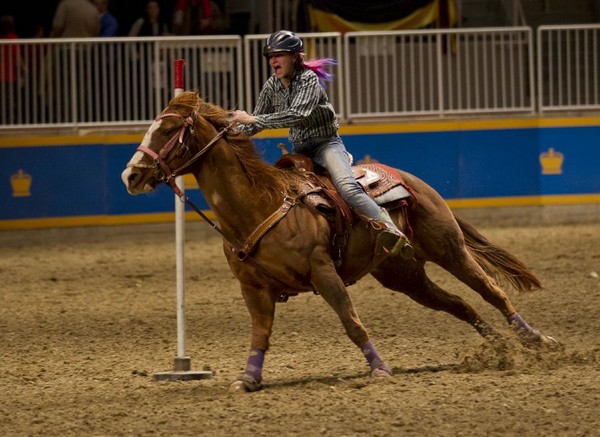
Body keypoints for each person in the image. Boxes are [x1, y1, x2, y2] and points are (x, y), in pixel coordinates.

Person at [232, 30, 414, 258]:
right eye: (270, 56)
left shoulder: (308, 79)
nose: (273, 61)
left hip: (326, 145)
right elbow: (254, 125)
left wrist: (253, 119)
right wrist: (230, 130)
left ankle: (390, 228)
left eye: (279, 55)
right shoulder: (271, 86)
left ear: (295, 57)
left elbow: (297, 114)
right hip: (300, 151)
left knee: (347, 188)